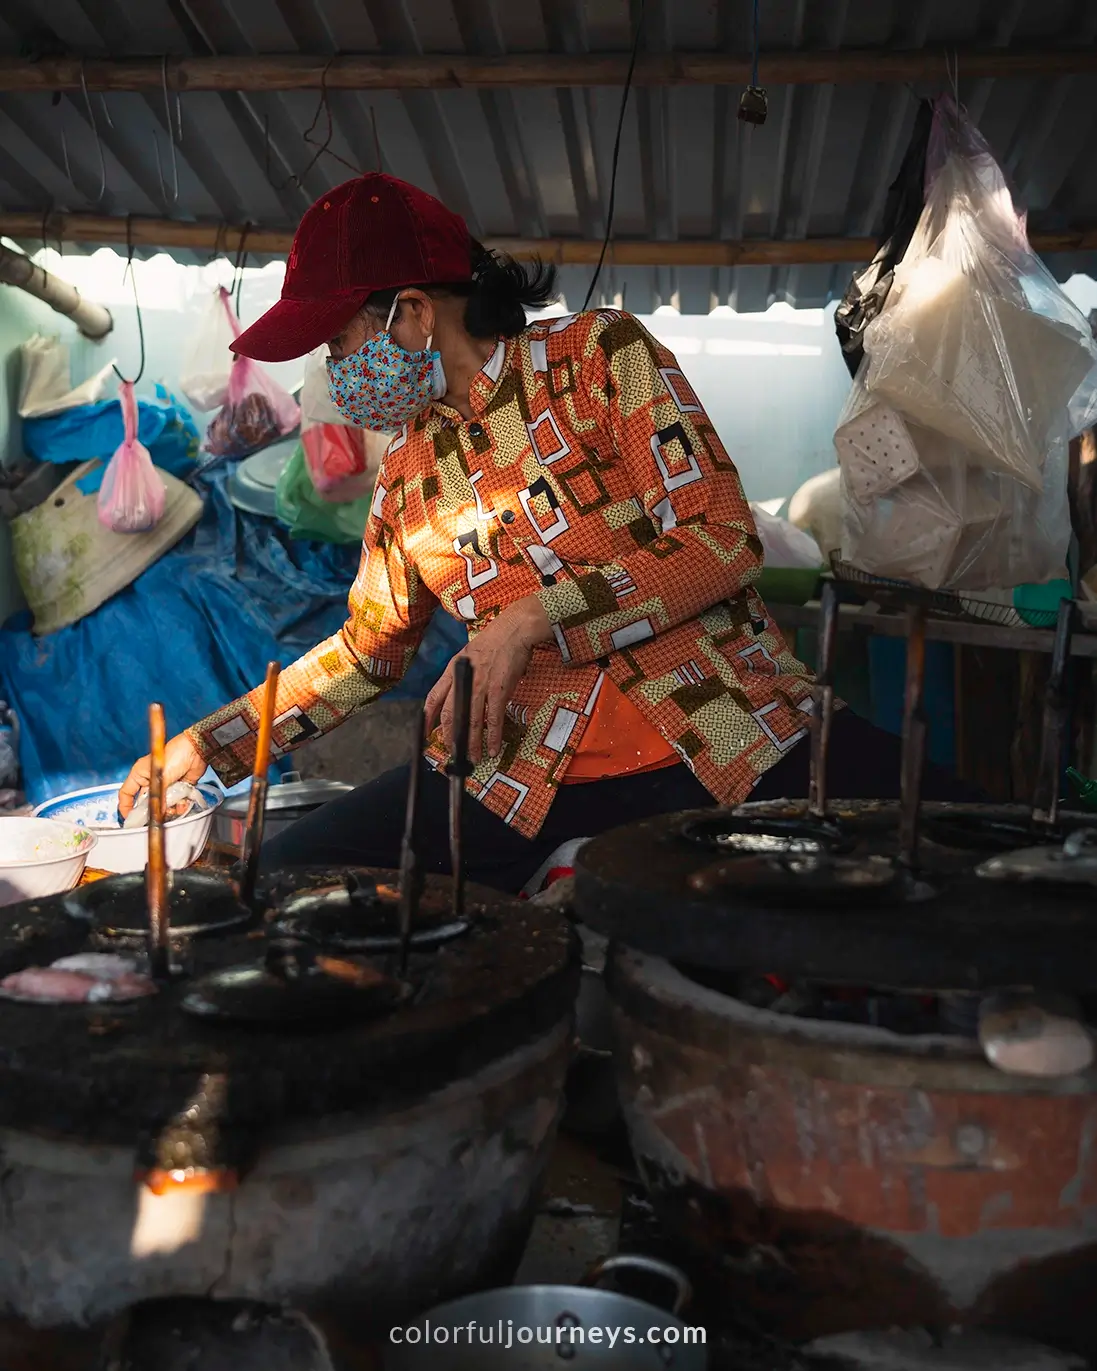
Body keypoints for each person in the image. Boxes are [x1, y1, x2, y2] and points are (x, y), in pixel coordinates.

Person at [119, 173, 977, 894]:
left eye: (339, 343)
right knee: (280, 880)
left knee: (974, 849)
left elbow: (720, 537)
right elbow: (367, 652)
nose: (333, 371)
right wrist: (214, 741)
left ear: (412, 314)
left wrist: (535, 617)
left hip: (723, 730)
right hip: (516, 772)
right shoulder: (406, 475)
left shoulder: (600, 358)